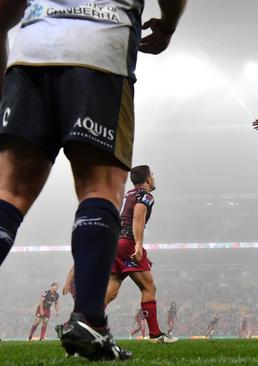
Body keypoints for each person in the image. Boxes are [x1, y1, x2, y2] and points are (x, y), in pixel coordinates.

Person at [0, 0, 185, 360]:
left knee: (9, 192)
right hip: (101, 46)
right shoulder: (143, 197)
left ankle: (93, 317)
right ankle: (90, 323)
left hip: (29, 53)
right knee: (99, 187)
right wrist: (168, 24)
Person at [104, 165, 176, 344]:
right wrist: (138, 244)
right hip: (128, 242)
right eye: (152, 174)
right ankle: (155, 335)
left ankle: (83, 322)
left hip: (115, 242)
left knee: (111, 289)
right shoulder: (145, 195)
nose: (154, 177)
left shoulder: (128, 193)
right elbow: (137, 218)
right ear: (148, 180)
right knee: (148, 288)